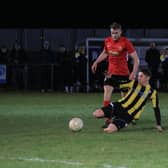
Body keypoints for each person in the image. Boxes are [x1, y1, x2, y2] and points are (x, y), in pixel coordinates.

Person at [91, 22, 139, 128]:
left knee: (125, 99)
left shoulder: (126, 42)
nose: (114, 35)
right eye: (112, 33)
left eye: (116, 33)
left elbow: (136, 59)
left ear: (120, 32)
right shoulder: (107, 41)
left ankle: (128, 116)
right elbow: (105, 53)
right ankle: (108, 119)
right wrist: (96, 62)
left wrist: (133, 73)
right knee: (107, 93)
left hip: (124, 74)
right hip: (110, 73)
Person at [93, 68, 163, 133]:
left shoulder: (152, 92)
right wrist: (110, 78)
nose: (139, 78)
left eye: (141, 76)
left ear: (147, 78)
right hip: (119, 106)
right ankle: (113, 117)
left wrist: (158, 124)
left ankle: (115, 122)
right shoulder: (133, 83)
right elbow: (119, 83)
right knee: (96, 114)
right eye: (138, 76)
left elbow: (156, 108)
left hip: (128, 115)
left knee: (109, 130)